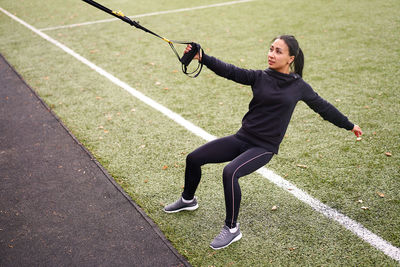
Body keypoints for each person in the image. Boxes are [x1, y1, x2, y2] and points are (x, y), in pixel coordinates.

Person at [163, 35, 363, 250]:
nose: (271, 54)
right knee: (194, 158)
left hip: (263, 147)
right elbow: (229, 70)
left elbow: (323, 107)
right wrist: (202, 57)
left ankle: (231, 228)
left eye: (278, 51)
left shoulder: (299, 86)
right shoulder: (260, 77)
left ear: (290, 58)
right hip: (242, 138)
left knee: (230, 172)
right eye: (271, 49)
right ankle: (188, 200)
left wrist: (349, 125)